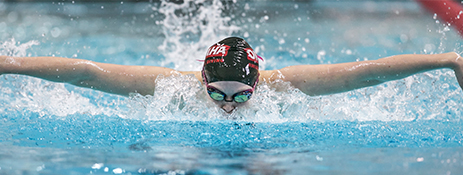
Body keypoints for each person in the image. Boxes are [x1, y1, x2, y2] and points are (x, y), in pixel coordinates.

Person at [1, 37, 462, 113]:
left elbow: (366, 75)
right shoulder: (174, 87)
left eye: (240, 97)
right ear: (200, 79)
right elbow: (85, 73)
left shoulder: (285, 87)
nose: (225, 105)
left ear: (258, 85)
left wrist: (447, 60)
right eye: (216, 92)